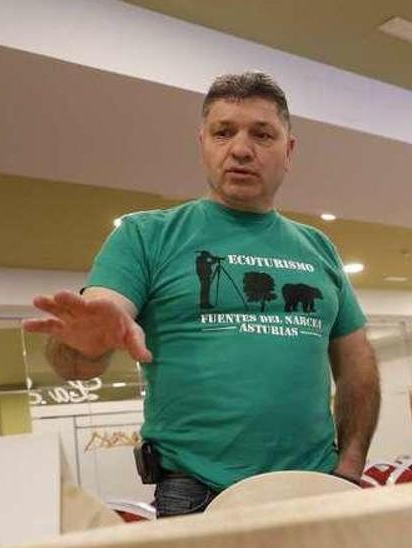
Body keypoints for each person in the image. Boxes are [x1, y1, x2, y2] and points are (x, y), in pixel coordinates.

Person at [23, 71, 380, 517]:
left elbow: (357, 362)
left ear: (289, 151)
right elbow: (86, 341)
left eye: (262, 134)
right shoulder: (145, 236)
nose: (241, 149)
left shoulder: (318, 247)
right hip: (196, 494)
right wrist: (84, 344)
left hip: (316, 485)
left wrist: (350, 466)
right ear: (203, 143)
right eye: (223, 132)